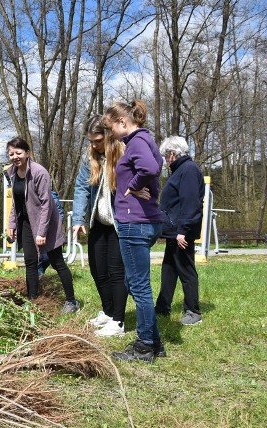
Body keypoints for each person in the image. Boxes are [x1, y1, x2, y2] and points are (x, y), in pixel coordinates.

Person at [102, 99, 165, 362]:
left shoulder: (136, 141)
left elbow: (151, 168)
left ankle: (144, 346)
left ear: (122, 122)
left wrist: (132, 186)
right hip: (146, 221)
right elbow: (159, 163)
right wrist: (141, 184)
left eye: (110, 128)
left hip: (133, 222)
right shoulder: (147, 139)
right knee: (135, 282)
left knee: (139, 286)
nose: (110, 135)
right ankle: (156, 342)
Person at [6, 137, 78, 313]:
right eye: (11, 154)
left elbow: (46, 203)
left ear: (27, 153)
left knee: (57, 262)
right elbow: (17, 202)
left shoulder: (39, 172)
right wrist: (12, 224)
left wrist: (42, 231)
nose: (15, 157)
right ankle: (32, 301)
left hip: (46, 223)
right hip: (26, 223)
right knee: (30, 262)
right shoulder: (11, 173)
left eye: (18, 153)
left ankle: (71, 302)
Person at [71, 115, 128, 337]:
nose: (94, 145)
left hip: (118, 224)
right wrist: (78, 219)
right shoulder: (90, 159)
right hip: (98, 222)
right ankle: (108, 311)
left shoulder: (123, 155)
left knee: (116, 271)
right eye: (90, 141)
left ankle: (119, 321)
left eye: (97, 140)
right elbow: (81, 188)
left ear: (109, 136)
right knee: (97, 269)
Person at [154, 136, 205, 326]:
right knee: (168, 269)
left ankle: (193, 311)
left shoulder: (189, 171)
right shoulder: (180, 171)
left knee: (186, 270)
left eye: (166, 156)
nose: (166, 161)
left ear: (172, 154)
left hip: (181, 232)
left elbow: (191, 203)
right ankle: (163, 306)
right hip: (173, 231)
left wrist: (183, 230)